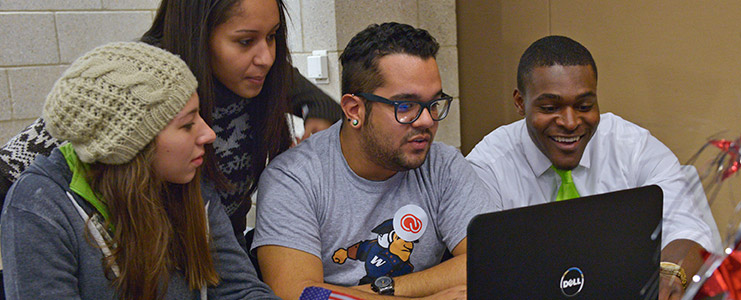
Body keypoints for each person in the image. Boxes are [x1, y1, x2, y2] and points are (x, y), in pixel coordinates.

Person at [0, 0, 340, 247]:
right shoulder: (136, 79)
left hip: (221, 253)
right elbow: (13, 166)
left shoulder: (261, 72)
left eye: (273, 36)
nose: (266, 57)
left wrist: (317, 119)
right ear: (198, 35)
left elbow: (321, 103)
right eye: (245, 41)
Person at [1, 42, 279, 300]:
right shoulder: (39, 209)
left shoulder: (188, 181)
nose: (208, 134)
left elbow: (240, 291)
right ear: (131, 145)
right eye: (186, 125)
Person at [252, 22, 496, 300]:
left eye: (433, 104)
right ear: (354, 109)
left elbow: (492, 261)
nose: (427, 120)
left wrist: (372, 293)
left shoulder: (443, 165)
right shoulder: (294, 178)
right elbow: (298, 294)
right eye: (405, 106)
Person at [465, 35, 713, 300]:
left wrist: (669, 274)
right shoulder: (487, 165)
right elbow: (482, 267)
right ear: (519, 102)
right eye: (550, 107)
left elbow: (688, 228)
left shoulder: (632, 146)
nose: (571, 122)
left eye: (585, 106)